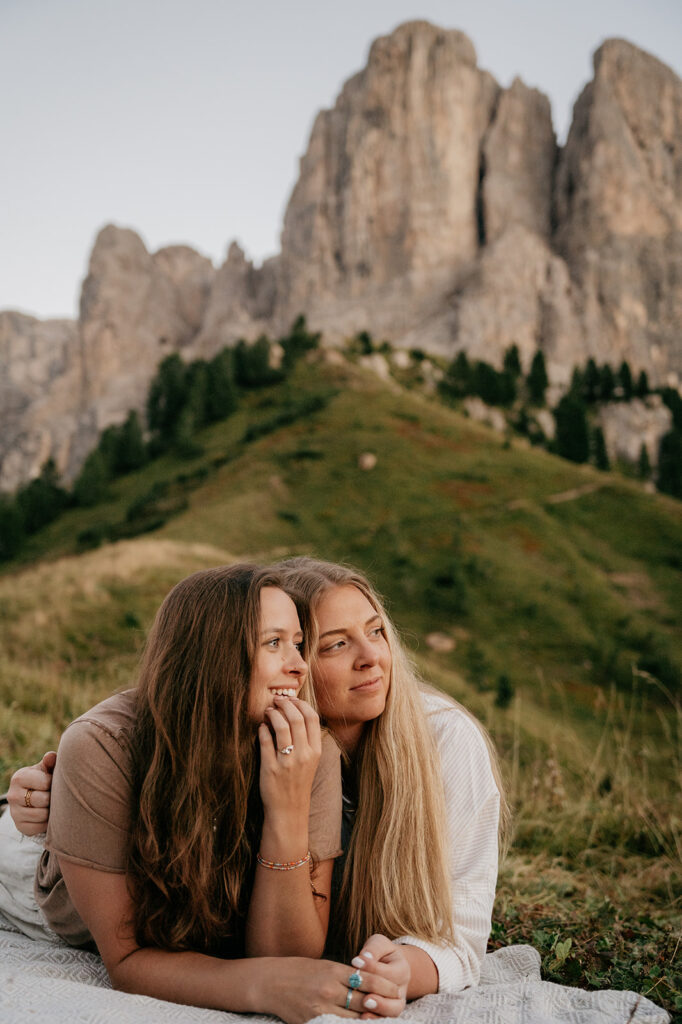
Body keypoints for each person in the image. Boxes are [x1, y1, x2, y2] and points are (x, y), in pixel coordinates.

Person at [7, 556, 506, 1016]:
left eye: (377, 631)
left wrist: (289, 806)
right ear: (222, 654)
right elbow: (131, 954)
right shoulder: (121, 741)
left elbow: (292, 955)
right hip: (41, 879)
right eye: (329, 644)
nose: (371, 657)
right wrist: (41, 798)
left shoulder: (352, 747)